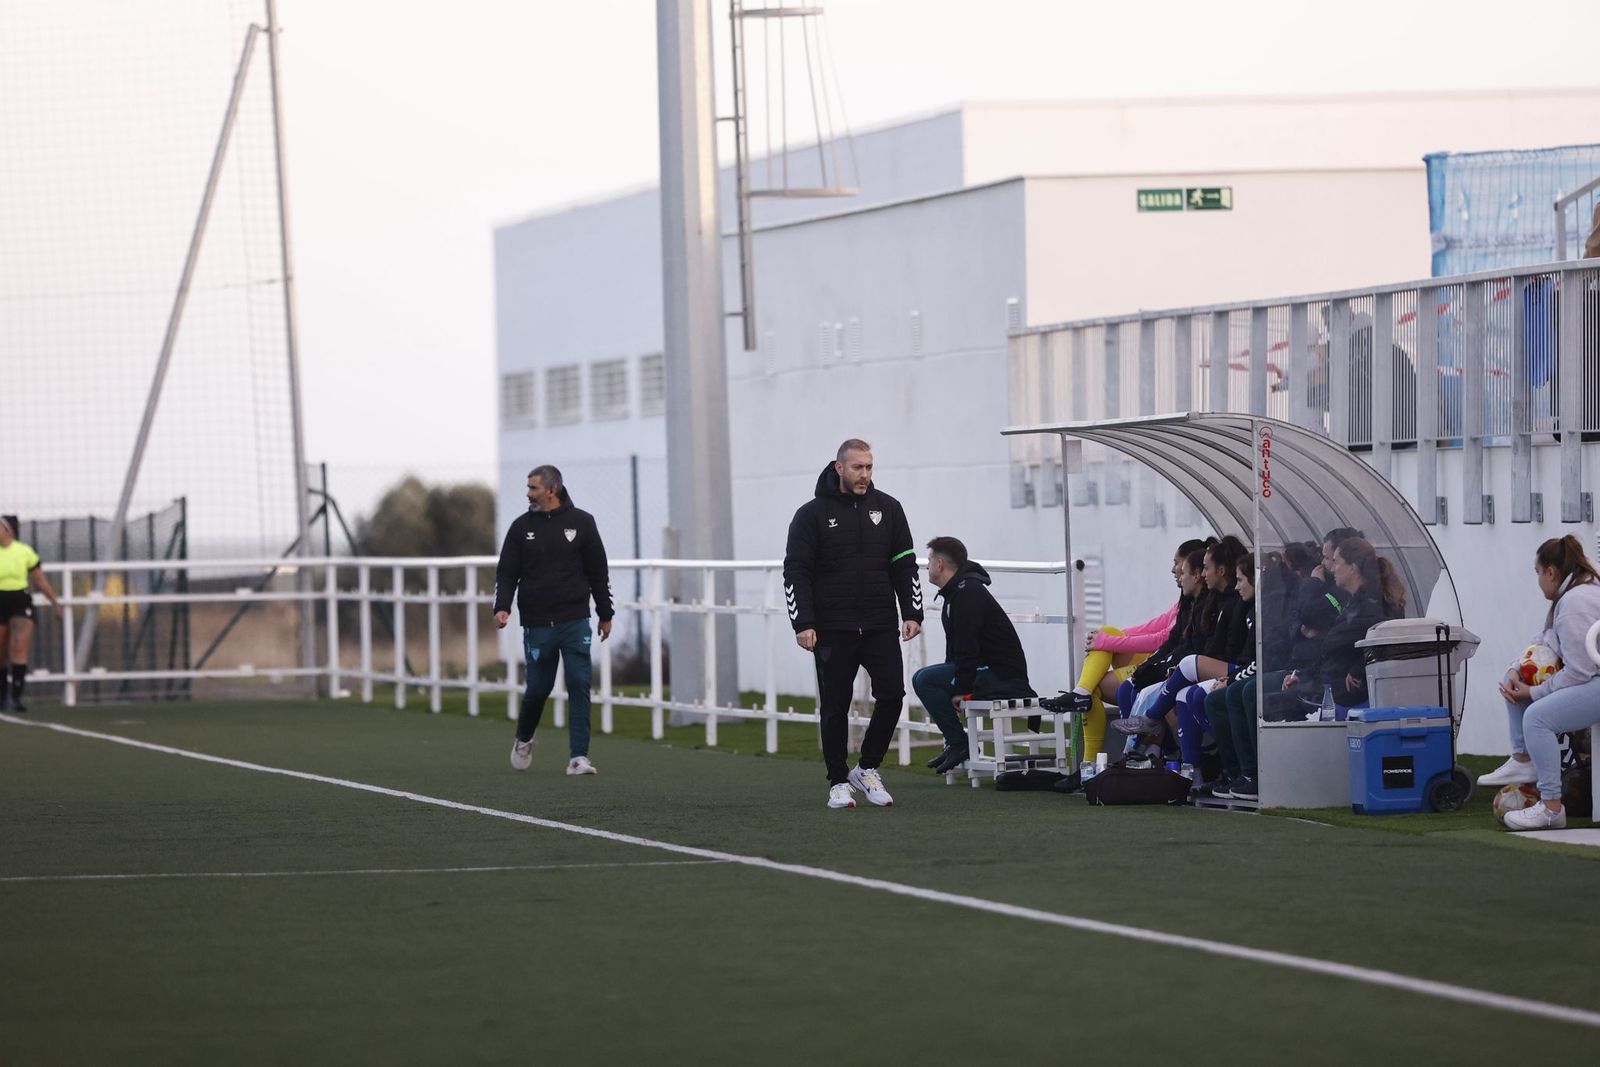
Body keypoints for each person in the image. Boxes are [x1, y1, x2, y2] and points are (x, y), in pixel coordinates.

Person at [784, 439, 923, 809]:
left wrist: (912, 612)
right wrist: (803, 622)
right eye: (858, 467)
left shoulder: (889, 509)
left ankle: (867, 768)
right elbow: (796, 572)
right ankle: (837, 782)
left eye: (869, 467)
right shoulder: (810, 515)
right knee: (835, 706)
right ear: (839, 468)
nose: (864, 474)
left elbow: (905, 564)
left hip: (879, 624)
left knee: (892, 695)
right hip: (832, 628)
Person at [1040, 538, 1212, 758]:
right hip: (1169, 662)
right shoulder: (1186, 601)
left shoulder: (1202, 604)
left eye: (1177, 563)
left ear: (1195, 572)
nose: (1173, 570)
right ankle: (1083, 703)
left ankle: (1098, 758)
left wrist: (1108, 641)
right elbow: (1158, 626)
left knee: (1107, 686)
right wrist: (1108, 637)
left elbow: (1162, 639)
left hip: (1176, 666)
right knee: (1108, 636)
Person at [493, 466, 613, 776]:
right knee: (538, 689)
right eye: (528, 487)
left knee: (579, 682)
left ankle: (578, 757)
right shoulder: (521, 528)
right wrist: (502, 606)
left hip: (574, 619)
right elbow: (507, 573)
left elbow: (598, 572)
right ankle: (523, 739)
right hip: (537, 622)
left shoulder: (583, 523)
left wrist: (605, 613)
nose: (528, 493)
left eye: (533, 488)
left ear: (552, 488)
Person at [1481, 536, 1600, 831]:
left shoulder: (1574, 601)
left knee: (1537, 718)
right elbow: (1545, 639)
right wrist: (1515, 669)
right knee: (1518, 680)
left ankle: (1551, 808)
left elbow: (1580, 672)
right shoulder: (1577, 591)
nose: (1537, 581)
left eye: (1537, 572)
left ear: (1551, 572)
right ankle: (1522, 758)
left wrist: (1533, 692)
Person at [912, 536, 1035, 774]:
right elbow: (957, 649)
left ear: (939, 564)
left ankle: (960, 744)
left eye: (929, 561)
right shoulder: (956, 592)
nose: (927, 567)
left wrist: (962, 689)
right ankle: (957, 743)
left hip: (1002, 675)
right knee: (922, 678)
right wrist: (955, 683)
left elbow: (968, 648)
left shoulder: (968, 592)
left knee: (925, 679)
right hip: (982, 668)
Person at [0, 515, 62, 713]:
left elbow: (40, 581)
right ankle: (2, 697)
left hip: (19, 601)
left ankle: (16, 698)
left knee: (18, 647)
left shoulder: (24, 551)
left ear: (9, 530)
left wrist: (55, 603)